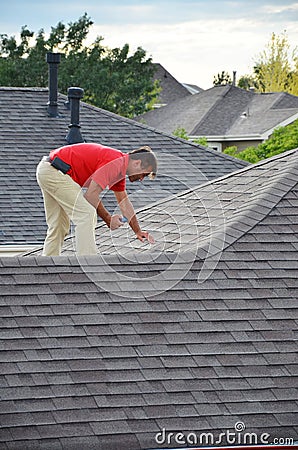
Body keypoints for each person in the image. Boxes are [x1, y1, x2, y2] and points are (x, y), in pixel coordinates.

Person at [36, 142, 157, 256]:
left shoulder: (119, 169)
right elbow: (90, 196)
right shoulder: (115, 163)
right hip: (55, 172)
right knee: (86, 214)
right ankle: (88, 261)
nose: (141, 179)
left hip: (47, 169)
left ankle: (48, 262)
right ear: (137, 163)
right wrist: (108, 219)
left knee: (58, 225)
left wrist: (138, 231)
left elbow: (124, 204)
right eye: (144, 174)